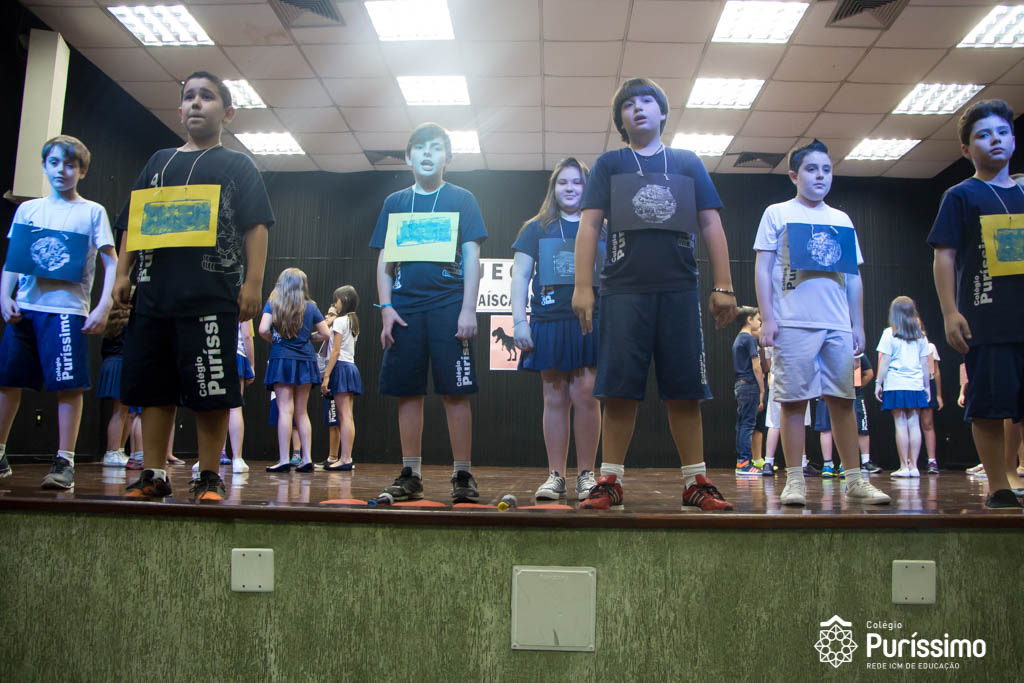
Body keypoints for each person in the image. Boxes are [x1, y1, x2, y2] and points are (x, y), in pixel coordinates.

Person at [573, 77, 737, 511]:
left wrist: (724, 286)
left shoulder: (686, 162)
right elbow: (589, 224)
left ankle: (695, 482)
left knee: (686, 389)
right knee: (618, 390)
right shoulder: (610, 163)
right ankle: (610, 480)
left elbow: (710, 223)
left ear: (663, 112)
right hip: (622, 291)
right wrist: (583, 286)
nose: (638, 108)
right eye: (629, 104)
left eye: (647, 101)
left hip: (679, 290)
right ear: (620, 119)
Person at [114, 71, 273, 501]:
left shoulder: (238, 165)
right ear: (180, 110)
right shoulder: (158, 162)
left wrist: (253, 283)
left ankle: (208, 475)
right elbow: (132, 222)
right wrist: (123, 273)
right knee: (153, 389)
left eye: (207, 96)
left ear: (228, 112)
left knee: (211, 390)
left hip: (211, 296)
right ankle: (154, 473)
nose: (196, 103)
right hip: (153, 296)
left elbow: (257, 226)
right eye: (189, 97)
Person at [754, 139, 891, 506]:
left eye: (826, 170)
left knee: (843, 400)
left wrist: (857, 324)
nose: (820, 176)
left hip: (836, 324)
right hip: (793, 322)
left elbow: (854, 277)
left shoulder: (841, 219)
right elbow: (763, 268)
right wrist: (768, 317)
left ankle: (855, 480)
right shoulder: (777, 213)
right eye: (812, 169)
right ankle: (794, 480)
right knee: (793, 402)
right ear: (794, 175)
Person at [369, 123, 486, 503]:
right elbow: (385, 260)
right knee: (408, 392)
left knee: (456, 392)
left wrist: (468, 309)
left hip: (449, 307)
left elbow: (472, 256)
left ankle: (462, 474)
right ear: (408, 157)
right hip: (405, 309)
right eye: (420, 148)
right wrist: (386, 308)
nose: (427, 154)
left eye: (435, 148)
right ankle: (411, 474)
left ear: (447, 158)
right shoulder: (395, 202)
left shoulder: (462, 198)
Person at [0, 135, 116, 487]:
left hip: (67, 311)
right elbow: (14, 259)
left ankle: (65, 461)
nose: (61, 170)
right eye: (54, 163)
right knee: (7, 381)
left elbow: (111, 261)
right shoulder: (28, 210)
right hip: (25, 308)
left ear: (82, 171)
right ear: (44, 166)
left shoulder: (92, 211)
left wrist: (104, 305)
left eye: (70, 165)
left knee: (69, 386)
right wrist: (4, 296)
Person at [929, 99, 1024, 507]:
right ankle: (999, 486)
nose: (995, 140)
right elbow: (944, 255)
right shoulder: (961, 195)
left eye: (1001, 132)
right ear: (967, 149)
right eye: (983, 135)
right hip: (986, 318)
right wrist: (950, 312)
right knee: (987, 405)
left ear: (1013, 140)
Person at [511, 157, 600, 501]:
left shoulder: (601, 225)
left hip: (589, 321)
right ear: (554, 187)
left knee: (587, 394)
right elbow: (520, 276)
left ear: (587, 187)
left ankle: (587, 475)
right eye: (563, 182)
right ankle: (556, 476)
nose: (570, 188)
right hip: (548, 321)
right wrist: (520, 321)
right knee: (554, 397)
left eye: (577, 182)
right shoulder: (535, 227)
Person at [259, 268, 329, 473]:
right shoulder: (311, 306)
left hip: (281, 357)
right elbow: (325, 334)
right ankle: (307, 458)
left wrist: (276, 340)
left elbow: (262, 329)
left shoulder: (273, 303)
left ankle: (284, 459)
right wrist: (308, 338)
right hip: (305, 359)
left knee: (285, 411)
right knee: (301, 411)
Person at [875, 296, 931, 478]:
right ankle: (914, 466)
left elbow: (885, 360)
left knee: (900, 423)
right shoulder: (921, 335)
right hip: (915, 384)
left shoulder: (889, 333)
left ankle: (904, 466)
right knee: (914, 422)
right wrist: (926, 387)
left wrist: (878, 383)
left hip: (895, 383)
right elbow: (925, 363)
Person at [320, 285, 362, 472]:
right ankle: (346, 457)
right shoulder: (353, 322)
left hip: (341, 368)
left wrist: (326, 376)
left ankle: (345, 458)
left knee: (344, 417)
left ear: (343, 300)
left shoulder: (340, 321)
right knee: (348, 416)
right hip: (351, 367)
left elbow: (335, 351)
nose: (335, 303)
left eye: (336, 300)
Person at [98, 302, 133, 468]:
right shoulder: (128, 326)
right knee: (121, 410)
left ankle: (118, 450)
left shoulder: (111, 324)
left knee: (123, 410)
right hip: (121, 364)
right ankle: (112, 451)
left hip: (111, 363)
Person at [731, 306, 765, 475]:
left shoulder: (738, 339)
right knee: (748, 425)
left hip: (740, 384)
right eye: (758, 319)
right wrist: (762, 390)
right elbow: (756, 367)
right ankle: (744, 463)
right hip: (750, 384)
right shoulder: (749, 339)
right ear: (749, 320)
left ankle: (742, 461)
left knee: (742, 424)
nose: (760, 323)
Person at [918, 322, 943, 474]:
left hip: (928, 383)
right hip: (911, 383)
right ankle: (909, 462)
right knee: (910, 422)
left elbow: (936, 372)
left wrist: (939, 395)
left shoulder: (930, 346)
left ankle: (932, 460)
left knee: (927, 423)